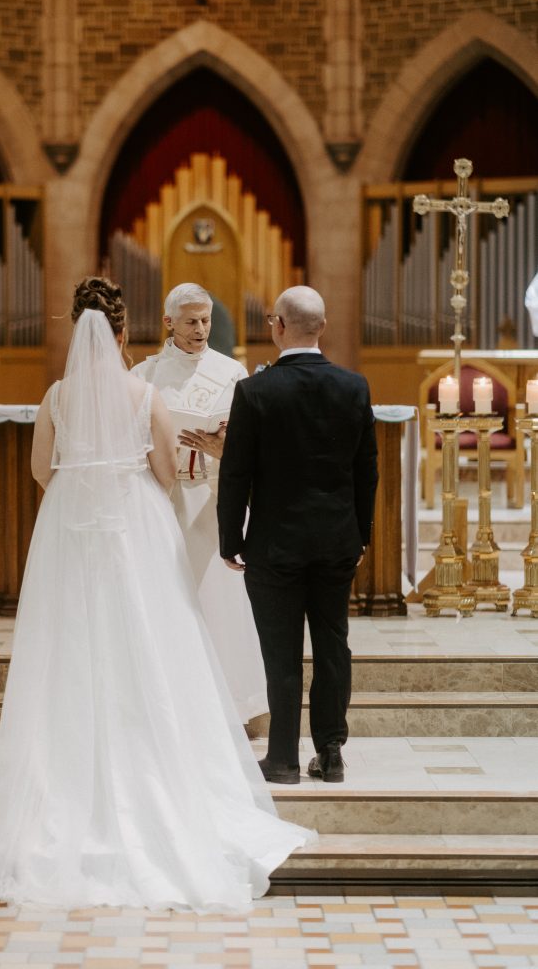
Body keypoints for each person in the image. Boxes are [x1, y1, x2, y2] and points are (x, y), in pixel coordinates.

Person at [0, 276, 311, 912]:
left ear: (76, 331)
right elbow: (167, 471)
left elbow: (40, 471)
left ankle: (68, 773)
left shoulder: (56, 397)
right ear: (121, 333)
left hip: (71, 529)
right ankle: (159, 769)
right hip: (137, 528)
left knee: (74, 642)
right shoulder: (143, 392)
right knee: (150, 638)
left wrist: (80, 497)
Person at [217, 286, 378, 786]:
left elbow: (236, 473)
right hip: (335, 541)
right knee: (334, 647)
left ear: (278, 326)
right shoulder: (354, 387)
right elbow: (365, 470)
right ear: (322, 328)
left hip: (274, 543)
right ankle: (330, 754)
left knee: (280, 651)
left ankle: (283, 758)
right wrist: (361, 534)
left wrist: (230, 540)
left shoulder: (256, 391)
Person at [132, 282, 267, 724]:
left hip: (210, 498)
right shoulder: (144, 376)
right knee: (164, 602)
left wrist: (221, 448)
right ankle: (164, 705)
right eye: (191, 321)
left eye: (206, 320)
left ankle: (224, 710)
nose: (201, 329)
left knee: (216, 606)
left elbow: (251, 451)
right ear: (168, 322)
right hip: (160, 498)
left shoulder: (232, 373)